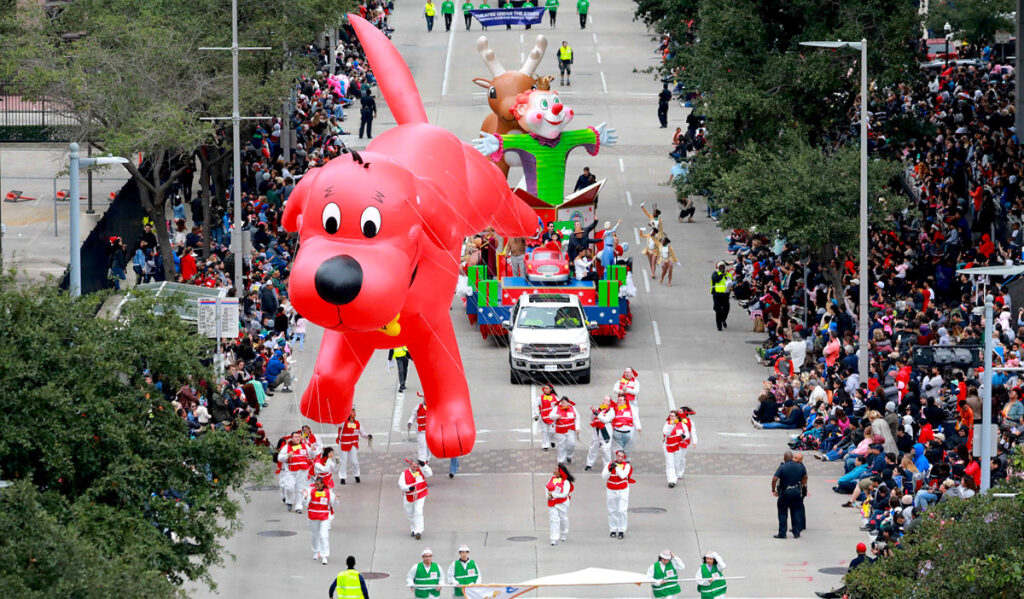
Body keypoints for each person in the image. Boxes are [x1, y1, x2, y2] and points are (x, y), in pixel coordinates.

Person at [772, 450, 807, 539]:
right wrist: (802, 485)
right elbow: (805, 476)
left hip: (785, 492)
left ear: (784, 458)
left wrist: (773, 489)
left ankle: (782, 533)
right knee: (795, 511)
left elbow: (775, 478)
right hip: (796, 491)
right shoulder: (800, 466)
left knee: (783, 512)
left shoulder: (782, 467)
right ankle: (796, 532)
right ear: (792, 458)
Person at [277, 430, 316, 512]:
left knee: (300, 489)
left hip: (302, 471)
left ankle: (298, 507)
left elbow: (312, 455)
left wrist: (312, 450)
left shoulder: (305, 446)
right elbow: (279, 458)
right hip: (291, 471)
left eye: (299, 437)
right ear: (292, 438)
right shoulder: (287, 447)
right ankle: (289, 501)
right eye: (295, 437)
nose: (297, 438)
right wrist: (287, 455)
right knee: (289, 487)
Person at [303, 475, 337, 565]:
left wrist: (336, 500)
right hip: (313, 517)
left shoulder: (329, 493)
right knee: (314, 535)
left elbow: (335, 503)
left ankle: (324, 556)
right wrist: (305, 497)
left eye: (318, 484)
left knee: (323, 535)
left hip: (324, 517)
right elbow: (306, 504)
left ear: (323, 484)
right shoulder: (311, 492)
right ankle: (316, 551)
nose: (316, 486)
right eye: (315, 484)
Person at [602, 450, 635, 538]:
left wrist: (616, 467)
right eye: (618, 456)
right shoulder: (609, 465)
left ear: (623, 457)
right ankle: (613, 529)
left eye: (621, 456)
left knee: (622, 510)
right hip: (611, 490)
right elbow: (604, 477)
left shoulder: (626, 466)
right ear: (616, 456)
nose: (619, 458)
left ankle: (621, 530)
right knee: (612, 510)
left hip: (623, 490)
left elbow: (623, 475)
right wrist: (609, 470)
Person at [399, 459, 433, 540]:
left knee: (418, 511)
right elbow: (401, 484)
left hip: (421, 494)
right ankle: (413, 529)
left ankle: (419, 531)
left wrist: (424, 466)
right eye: (413, 466)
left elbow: (429, 473)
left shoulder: (421, 470)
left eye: (416, 466)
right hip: (408, 496)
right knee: (410, 514)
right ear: (410, 465)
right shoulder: (404, 473)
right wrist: (408, 488)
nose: (415, 468)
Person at [337, 409, 372, 484]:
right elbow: (337, 423)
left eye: (354, 412)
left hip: (353, 444)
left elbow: (362, 432)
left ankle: (357, 475)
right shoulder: (343, 423)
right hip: (344, 444)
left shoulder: (357, 423)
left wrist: (367, 435)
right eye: (352, 412)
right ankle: (342, 477)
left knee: (354, 461)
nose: (354, 413)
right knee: (343, 461)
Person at [545, 463, 574, 545]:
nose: (554, 470)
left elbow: (564, 494)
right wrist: (548, 496)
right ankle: (554, 538)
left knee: (562, 518)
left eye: (556, 469)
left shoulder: (566, 482)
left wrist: (553, 494)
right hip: (552, 502)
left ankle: (564, 532)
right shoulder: (551, 479)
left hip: (563, 503)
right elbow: (547, 488)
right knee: (554, 520)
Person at [585, 398, 614, 471]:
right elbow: (592, 418)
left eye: (605, 400)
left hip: (605, 431)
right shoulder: (599, 409)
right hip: (596, 431)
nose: (603, 401)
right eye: (603, 400)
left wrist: (596, 412)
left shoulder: (611, 411)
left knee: (606, 449)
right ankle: (589, 464)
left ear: (609, 402)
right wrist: (593, 412)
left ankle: (607, 466)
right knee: (593, 447)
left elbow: (605, 420)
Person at [663, 410, 688, 488]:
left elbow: (686, 434)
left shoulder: (682, 425)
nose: (671, 417)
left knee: (677, 464)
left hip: (678, 447)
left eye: (673, 416)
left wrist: (684, 436)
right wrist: (672, 425)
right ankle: (671, 481)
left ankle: (675, 478)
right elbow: (666, 433)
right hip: (668, 446)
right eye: (670, 416)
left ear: (677, 417)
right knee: (670, 464)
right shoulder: (667, 424)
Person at [551, 396, 580, 463]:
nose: (563, 404)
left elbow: (577, 418)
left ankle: (569, 455)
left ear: (568, 403)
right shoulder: (556, 408)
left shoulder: (572, 409)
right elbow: (551, 416)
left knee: (572, 444)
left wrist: (577, 428)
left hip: (570, 430)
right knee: (561, 446)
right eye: (562, 403)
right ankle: (560, 461)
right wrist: (556, 416)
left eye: (565, 403)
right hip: (560, 431)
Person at [532, 384, 558, 451]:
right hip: (543, 416)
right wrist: (536, 414)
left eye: (547, 388)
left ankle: (552, 440)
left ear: (551, 389)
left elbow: (558, 405)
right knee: (544, 431)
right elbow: (535, 405)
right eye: (544, 388)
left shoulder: (555, 397)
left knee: (552, 431)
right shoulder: (541, 398)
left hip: (552, 417)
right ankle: (545, 445)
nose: (545, 390)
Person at [711, 261, 733, 331]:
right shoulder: (715, 274)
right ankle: (719, 326)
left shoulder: (728, 274)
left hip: (725, 294)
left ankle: (723, 319)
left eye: (723, 267)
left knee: (726, 309)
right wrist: (722, 275)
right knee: (718, 310)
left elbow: (731, 281)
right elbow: (716, 279)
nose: (722, 268)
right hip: (717, 294)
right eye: (720, 267)